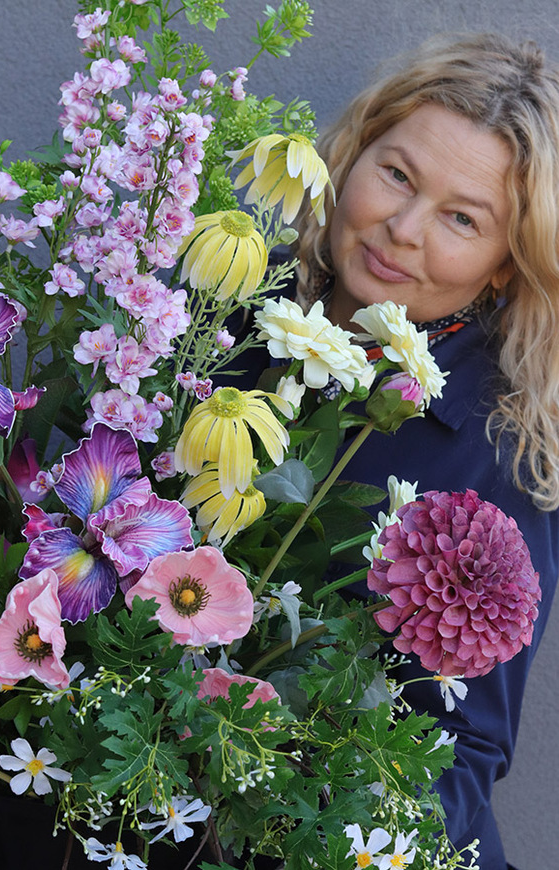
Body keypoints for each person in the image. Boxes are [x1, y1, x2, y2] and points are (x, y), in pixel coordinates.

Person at [280, 32, 559, 870]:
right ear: (351, 148)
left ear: (504, 269)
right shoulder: (216, 322)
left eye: (461, 219)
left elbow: (461, 749)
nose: (401, 230)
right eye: (396, 174)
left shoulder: (503, 457)